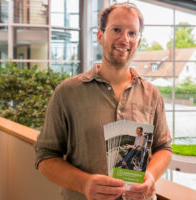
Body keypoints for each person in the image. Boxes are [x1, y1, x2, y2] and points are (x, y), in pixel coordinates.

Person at [35, 3, 172, 200]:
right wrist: (84, 183)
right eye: (116, 30)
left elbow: (163, 148)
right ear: (100, 36)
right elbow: (45, 157)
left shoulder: (152, 94)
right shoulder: (67, 92)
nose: (125, 39)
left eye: (132, 33)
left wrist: (150, 176)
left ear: (138, 41)